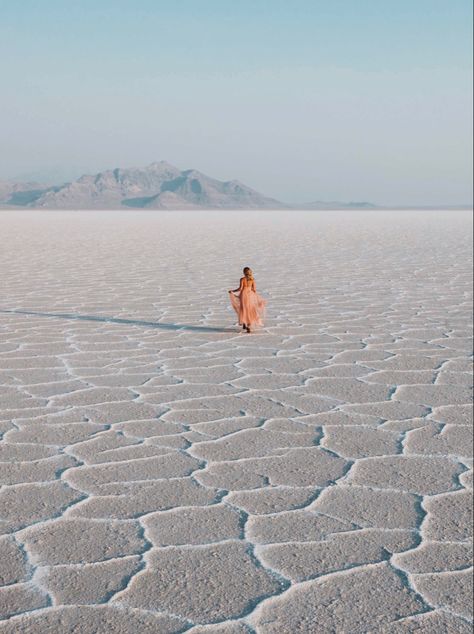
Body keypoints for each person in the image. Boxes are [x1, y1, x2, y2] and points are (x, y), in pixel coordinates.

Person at [228, 267, 266, 333]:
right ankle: (247, 325)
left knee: (244, 309)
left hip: (243, 295)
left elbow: (240, 289)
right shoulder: (252, 279)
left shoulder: (242, 279)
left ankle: (245, 324)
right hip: (250, 295)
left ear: (244, 272)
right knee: (250, 310)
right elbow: (254, 290)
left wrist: (232, 291)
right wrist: (254, 297)